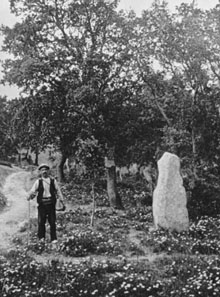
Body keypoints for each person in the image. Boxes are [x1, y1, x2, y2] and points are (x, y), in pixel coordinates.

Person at [27, 163, 64, 242]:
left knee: (52, 222)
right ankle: (41, 238)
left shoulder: (53, 181)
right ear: (40, 172)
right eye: (42, 170)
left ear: (48, 171)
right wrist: (29, 196)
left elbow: (58, 191)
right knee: (41, 222)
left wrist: (62, 200)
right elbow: (33, 191)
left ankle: (53, 239)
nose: (44, 171)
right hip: (42, 204)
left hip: (51, 203)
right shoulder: (38, 181)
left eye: (46, 170)